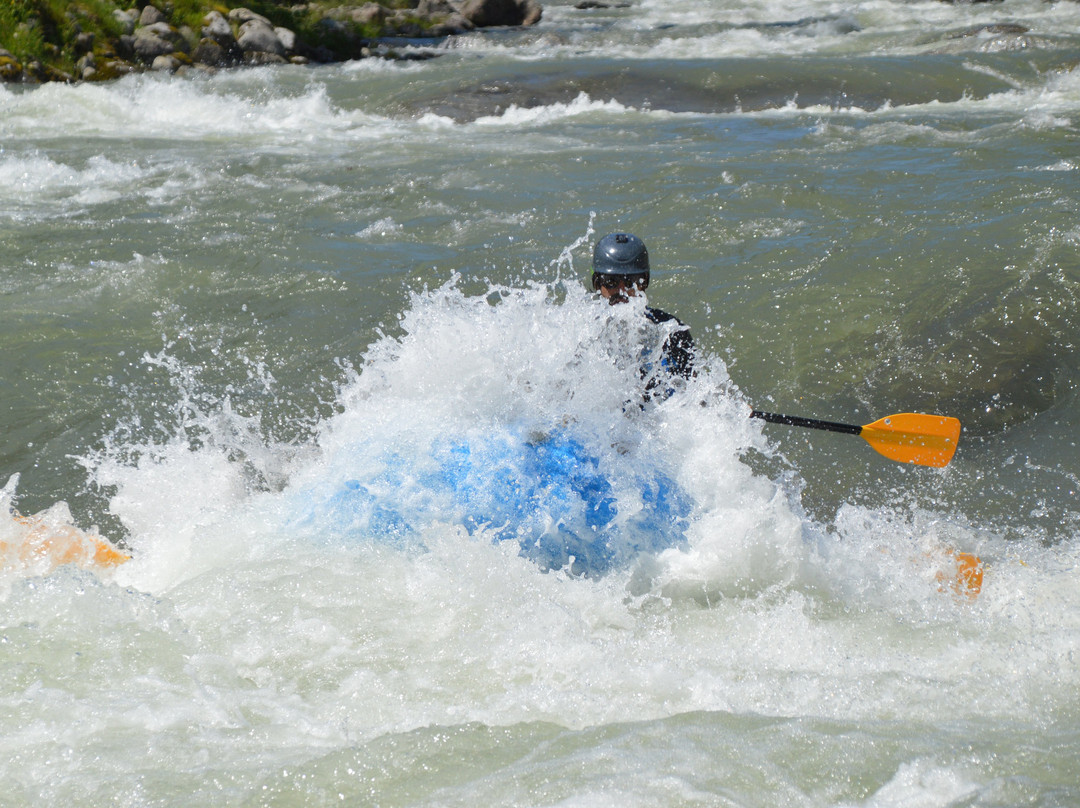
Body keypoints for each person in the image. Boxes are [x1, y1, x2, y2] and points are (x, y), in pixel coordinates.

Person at [591, 232, 694, 395]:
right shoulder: (581, 332)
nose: (622, 290)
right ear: (597, 283)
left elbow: (696, 387)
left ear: (644, 282)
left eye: (630, 281)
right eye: (611, 281)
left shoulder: (671, 331)